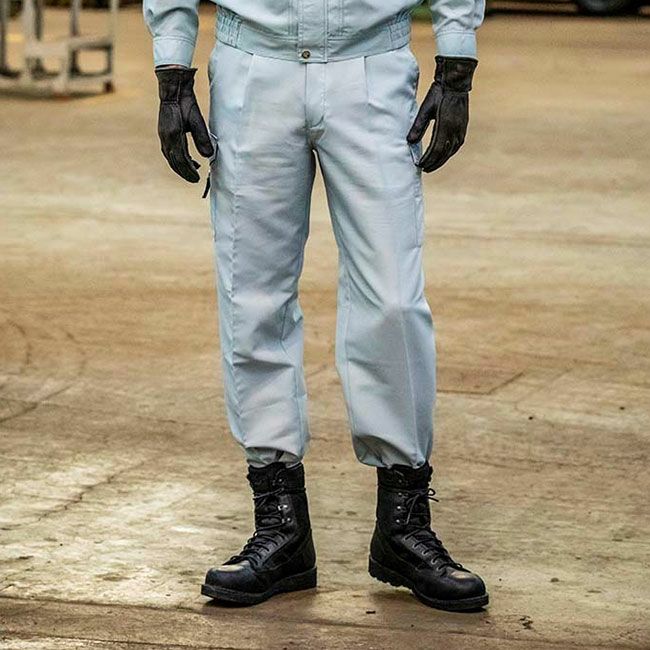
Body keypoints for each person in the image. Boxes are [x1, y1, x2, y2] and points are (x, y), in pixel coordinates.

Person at [144, 0, 488, 611]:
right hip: (254, 67)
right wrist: (172, 70)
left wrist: (456, 62)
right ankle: (281, 527)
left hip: (372, 66)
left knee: (393, 300)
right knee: (252, 298)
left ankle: (403, 523)